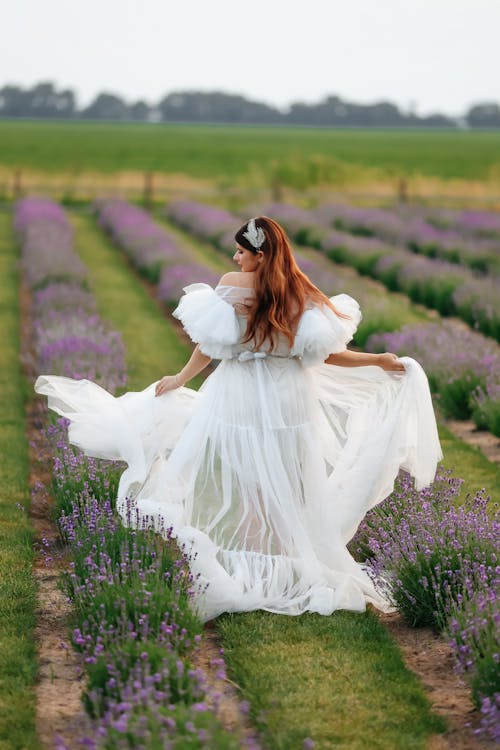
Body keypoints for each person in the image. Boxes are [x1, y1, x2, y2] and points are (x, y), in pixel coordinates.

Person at [35, 216, 442, 621]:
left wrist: (180, 378)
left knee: (243, 475)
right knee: (285, 477)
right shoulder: (301, 293)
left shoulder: (232, 284)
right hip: (288, 395)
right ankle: (282, 568)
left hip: (241, 391)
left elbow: (210, 345)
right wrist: (377, 360)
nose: (235, 257)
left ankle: (248, 568)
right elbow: (322, 353)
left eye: (242, 251)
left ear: (260, 255)